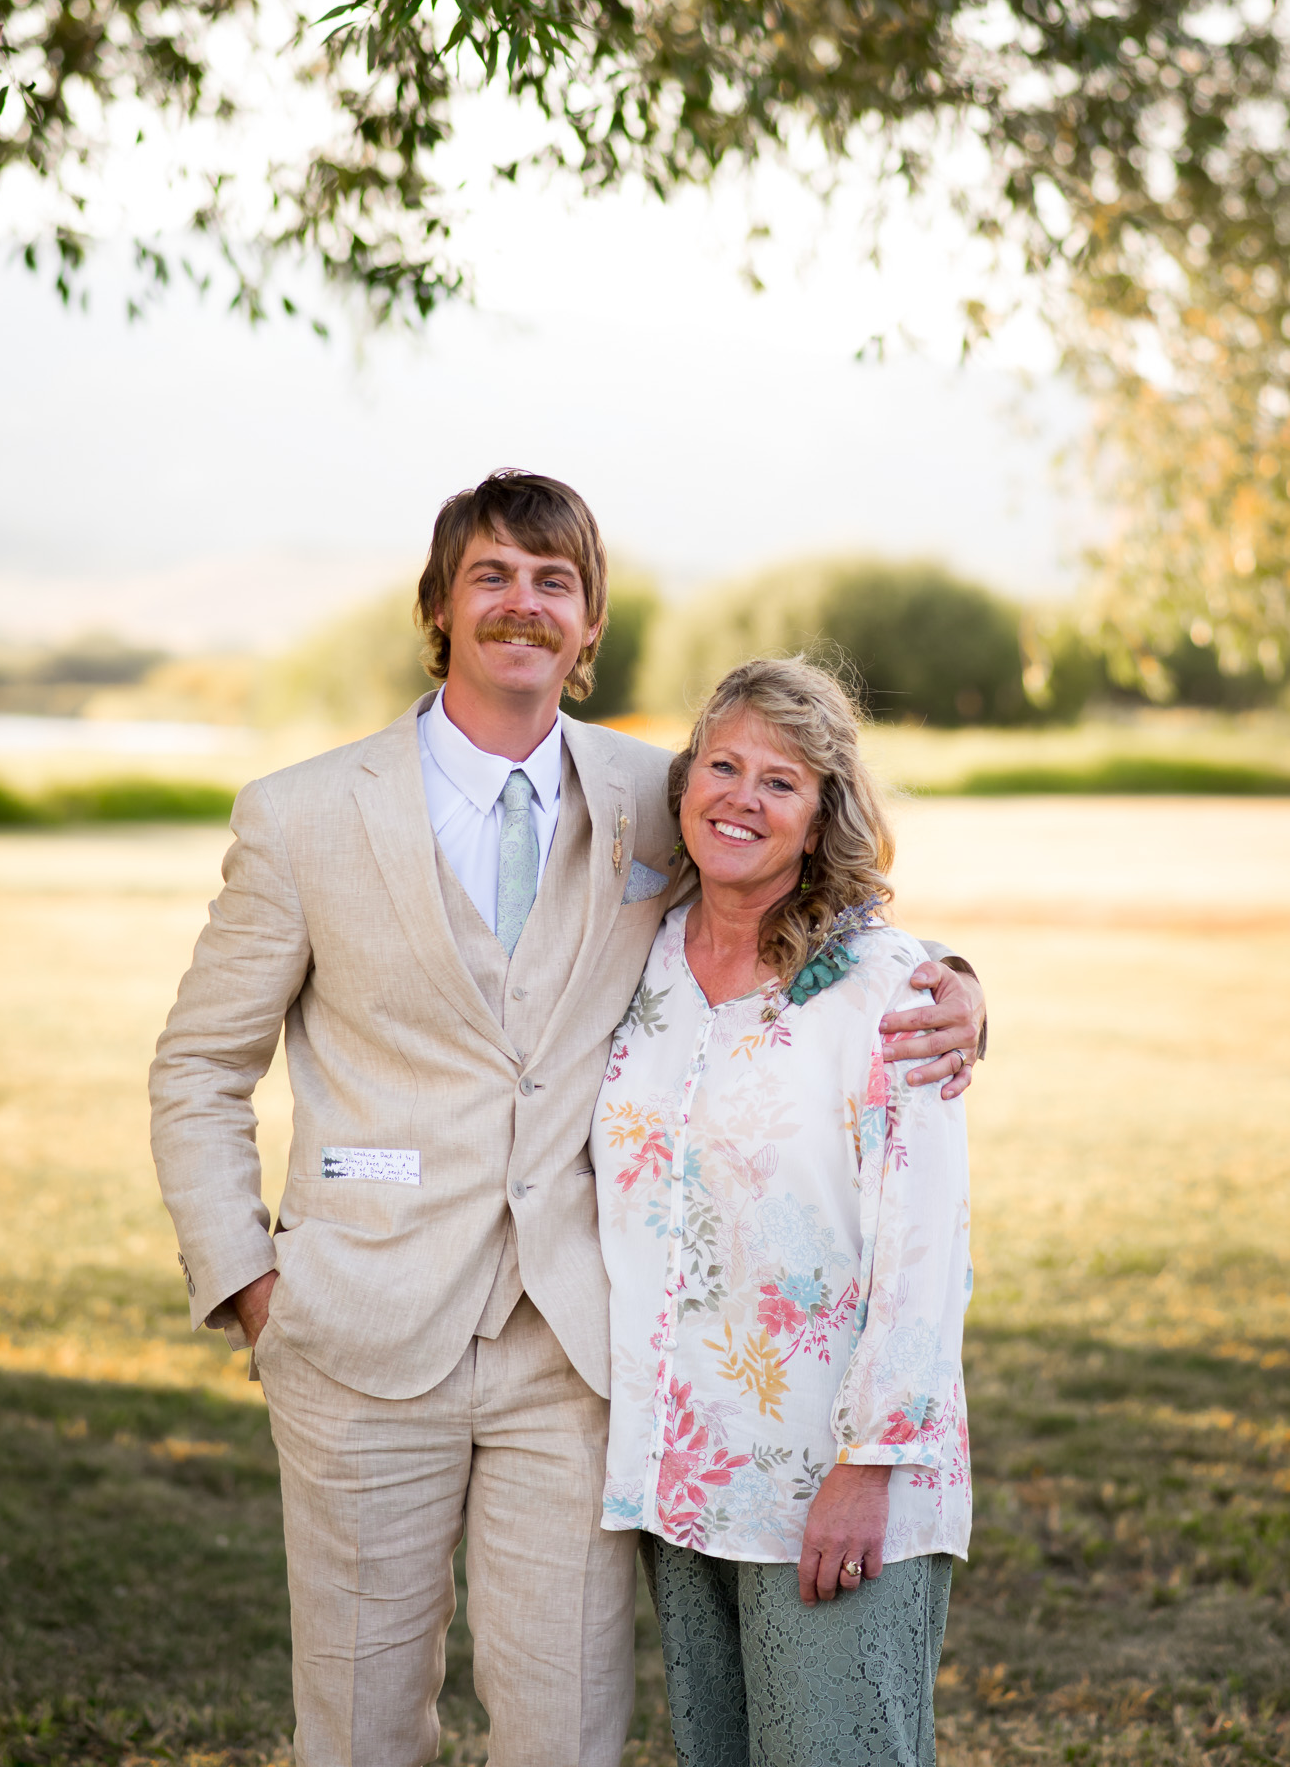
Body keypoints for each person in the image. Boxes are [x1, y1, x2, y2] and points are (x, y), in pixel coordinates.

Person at [148, 471, 985, 1767]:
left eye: (555, 582)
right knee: (358, 1724)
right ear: (438, 603)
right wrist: (252, 1285)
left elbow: (814, 888)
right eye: (491, 574)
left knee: (569, 1733)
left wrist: (957, 990)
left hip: (574, 1357)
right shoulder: (302, 815)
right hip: (356, 1332)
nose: (521, 604)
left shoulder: (657, 791)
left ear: (589, 623)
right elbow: (200, 1065)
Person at [592, 656, 971, 1767]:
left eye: (780, 781)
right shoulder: (639, 959)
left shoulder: (886, 988)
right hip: (679, 1470)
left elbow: (925, 1246)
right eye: (722, 766)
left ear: (820, 817)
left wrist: (869, 1462)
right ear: (683, 782)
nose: (741, 799)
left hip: (835, 1477)